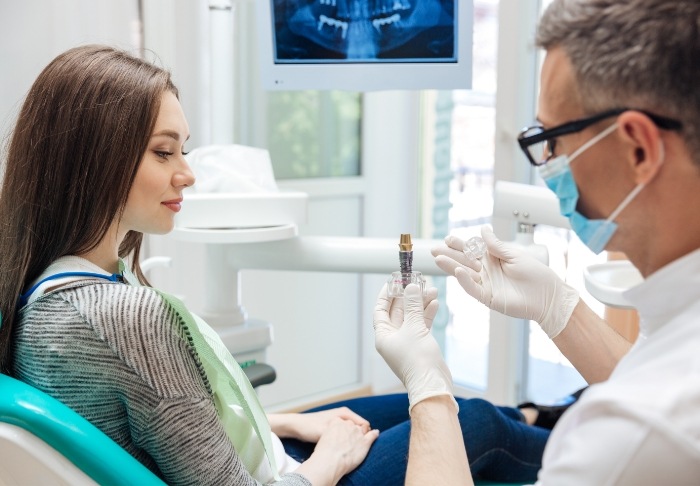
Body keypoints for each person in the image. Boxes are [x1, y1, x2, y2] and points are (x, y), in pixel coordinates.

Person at [0, 44, 565, 486]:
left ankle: (547, 416)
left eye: (185, 150)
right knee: (478, 425)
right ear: (93, 158)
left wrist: (294, 423)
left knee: (470, 407)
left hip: (266, 454)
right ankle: (600, 444)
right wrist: (329, 460)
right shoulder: (125, 317)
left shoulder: (43, 287)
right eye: (163, 151)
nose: (187, 174)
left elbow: (169, 432)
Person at [374, 0, 700, 484]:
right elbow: (649, 369)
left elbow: (651, 403)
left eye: (554, 138)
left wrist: (429, 389)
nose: (547, 162)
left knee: (481, 421)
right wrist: (557, 307)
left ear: (638, 148)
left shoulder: (631, 433)